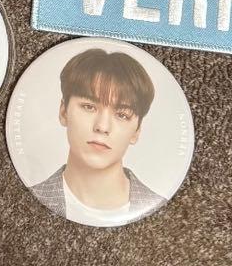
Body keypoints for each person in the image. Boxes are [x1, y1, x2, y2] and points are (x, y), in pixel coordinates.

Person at [30, 46, 165, 224]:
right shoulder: (28, 196)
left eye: (122, 115)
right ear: (63, 112)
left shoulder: (163, 210)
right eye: (89, 107)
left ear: (137, 131)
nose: (102, 127)